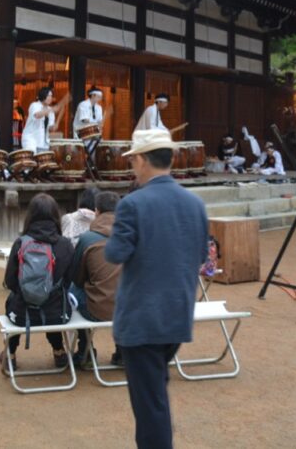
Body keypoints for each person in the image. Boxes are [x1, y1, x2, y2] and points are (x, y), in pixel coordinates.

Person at [104, 128, 209, 449]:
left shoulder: (132, 204)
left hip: (141, 320)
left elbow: (114, 254)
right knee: (156, 395)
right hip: (176, 316)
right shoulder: (194, 203)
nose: (132, 166)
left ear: (141, 160)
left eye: (133, 160)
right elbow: (202, 255)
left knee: (150, 410)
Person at [0, 193, 76, 373]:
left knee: (13, 299)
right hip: (58, 316)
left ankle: (10, 354)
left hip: (21, 316)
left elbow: (10, 281)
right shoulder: (65, 244)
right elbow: (69, 280)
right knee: (54, 295)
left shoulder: (21, 243)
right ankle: (58, 350)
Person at [70, 191, 121, 366]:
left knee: (72, 290)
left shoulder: (87, 239)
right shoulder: (134, 236)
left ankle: (85, 350)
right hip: (129, 308)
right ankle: (122, 352)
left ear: (97, 212)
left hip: (96, 310)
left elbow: (76, 277)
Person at [22, 88, 57, 153]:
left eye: (51, 96)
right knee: (32, 159)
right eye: (48, 95)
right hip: (30, 139)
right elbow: (37, 115)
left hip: (43, 141)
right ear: (43, 96)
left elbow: (50, 129)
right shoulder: (34, 105)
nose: (50, 98)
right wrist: (50, 110)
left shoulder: (51, 110)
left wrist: (53, 127)